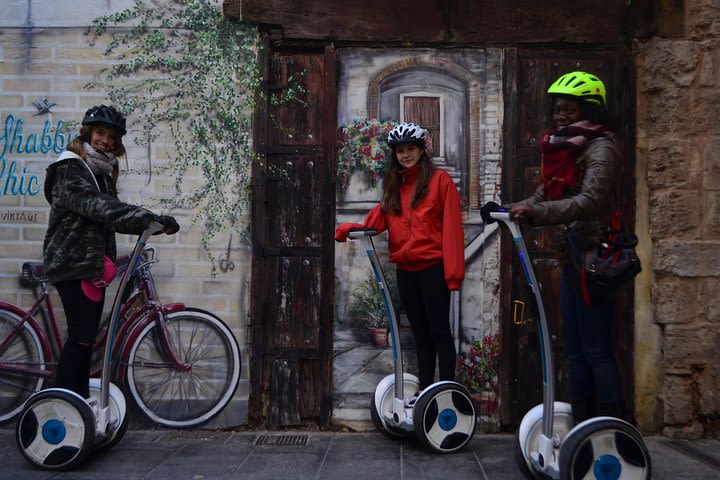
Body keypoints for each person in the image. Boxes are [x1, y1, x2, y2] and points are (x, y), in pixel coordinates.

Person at [482, 71, 624, 423]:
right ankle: (581, 425)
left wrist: (535, 212)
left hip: (596, 258)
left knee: (595, 351)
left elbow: (589, 201)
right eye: (557, 109)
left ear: (590, 111)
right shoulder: (565, 149)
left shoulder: (602, 147)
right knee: (574, 351)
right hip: (572, 256)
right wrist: (511, 208)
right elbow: (545, 194)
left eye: (569, 110)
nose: (560, 116)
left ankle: (610, 430)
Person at [43, 104, 180, 399]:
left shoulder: (102, 171)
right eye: (100, 133)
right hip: (73, 262)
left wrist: (152, 222)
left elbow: (113, 217)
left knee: (85, 340)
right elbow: (100, 208)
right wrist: (147, 217)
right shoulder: (70, 168)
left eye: (111, 137)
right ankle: (58, 405)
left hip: (91, 266)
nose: (104, 140)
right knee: (80, 337)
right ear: (88, 133)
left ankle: (76, 404)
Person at [335, 122, 465, 405]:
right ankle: (426, 393)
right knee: (420, 335)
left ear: (421, 150)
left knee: (440, 331)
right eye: (400, 151)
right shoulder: (396, 185)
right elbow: (378, 219)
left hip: (433, 269)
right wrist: (349, 228)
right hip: (406, 271)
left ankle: (447, 395)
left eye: (410, 149)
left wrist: (453, 275)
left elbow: (453, 230)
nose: (405, 155)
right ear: (395, 154)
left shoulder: (440, 182)